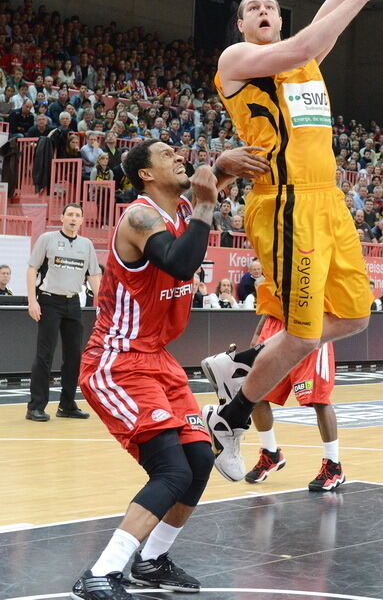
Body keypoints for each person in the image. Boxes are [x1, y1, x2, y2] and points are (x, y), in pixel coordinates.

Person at [200, 0, 383, 483]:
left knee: (359, 316)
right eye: (253, 9)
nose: (264, 12)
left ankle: (239, 365)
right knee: (305, 330)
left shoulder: (305, 59)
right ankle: (231, 418)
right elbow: (320, 29)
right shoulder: (237, 62)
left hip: (329, 201)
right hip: (284, 203)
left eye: (271, 8)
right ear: (240, 24)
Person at [72, 139, 269, 600]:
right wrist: (207, 197)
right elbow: (182, 264)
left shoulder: (180, 207)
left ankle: (153, 560)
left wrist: (224, 167)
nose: (179, 155)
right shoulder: (140, 218)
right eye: (166, 155)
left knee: (200, 460)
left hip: (158, 358)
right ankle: (100, 573)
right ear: (145, 174)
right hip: (117, 360)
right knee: (171, 471)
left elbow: (209, 185)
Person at [243, 281, 344, 491]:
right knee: (255, 393)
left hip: (310, 324)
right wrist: (258, 332)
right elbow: (273, 296)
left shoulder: (317, 254)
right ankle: (270, 453)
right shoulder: (274, 256)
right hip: (275, 324)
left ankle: (334, 466)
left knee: (319, 399)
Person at [25, 204, 102, 422]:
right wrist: (32, 301)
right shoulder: (47, 239)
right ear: (62, 218)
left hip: (73, 303)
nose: (73, 218)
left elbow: (94, 276)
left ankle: (67, 405)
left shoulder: (86, 245)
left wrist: (103, 305)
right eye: (70, 214)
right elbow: (32, 269)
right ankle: (35, 406)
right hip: (49, 301)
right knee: (45, 355)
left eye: (78, 215)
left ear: (82, 221)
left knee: (74, 356)